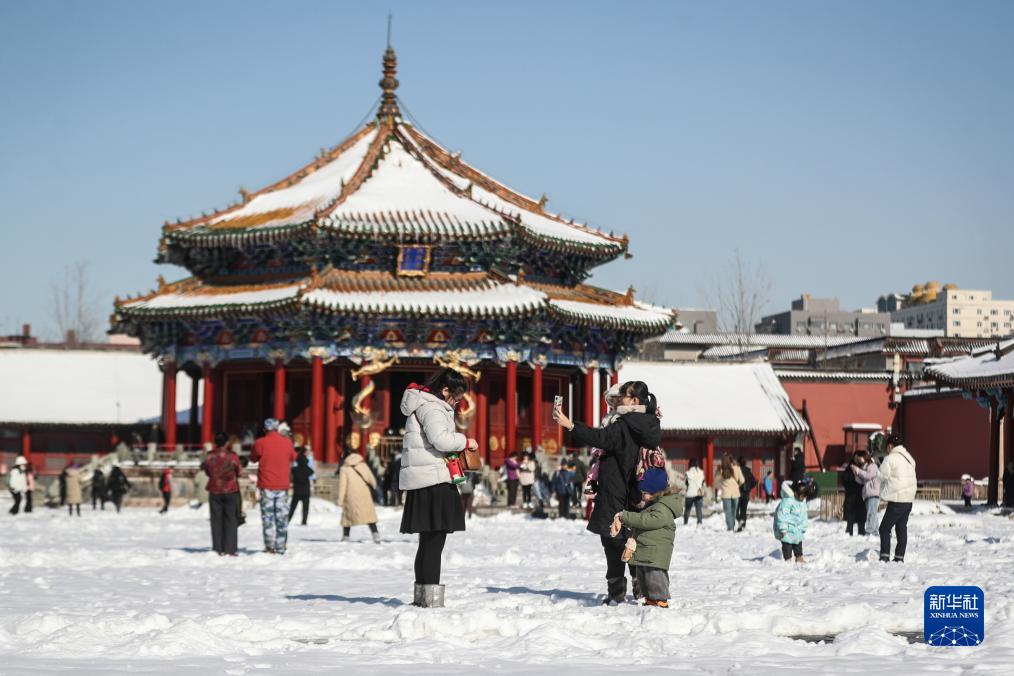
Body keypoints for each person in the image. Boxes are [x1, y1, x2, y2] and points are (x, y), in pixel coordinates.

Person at [553, 380, 662, 606]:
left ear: (634, 401)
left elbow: (600, 438)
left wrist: (570, 425)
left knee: (613, 543)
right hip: (637, 494)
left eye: (623, 396)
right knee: (633, 539)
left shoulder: (624, 424)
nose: (619, 400)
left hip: (615, 492)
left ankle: (616, 593)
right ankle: (641, 587)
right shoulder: (648, 423)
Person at [399, 370, 477, 608]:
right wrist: (466, 441)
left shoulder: (423, 404)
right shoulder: (432, 407)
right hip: (434, 479)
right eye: (457, 397)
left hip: (426, 479)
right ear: (445, 390)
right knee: (434, 542)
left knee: (428, 542)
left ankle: (422, 596)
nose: (457, 403)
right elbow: (441, 440)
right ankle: (430, 600)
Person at [611, 467, 683, 607]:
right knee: (643, 577)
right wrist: (627, 523)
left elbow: (646, 521)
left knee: (655, 577)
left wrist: (626, 516)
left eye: (645, 492)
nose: (642, 494)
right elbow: (642, 522)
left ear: (655, 491)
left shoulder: (662, 508)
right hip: (647, 550)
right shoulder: (654, 505)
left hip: (655, 553)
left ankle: (660, 600)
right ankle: (650, 599)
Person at [250, 417, 297, 554]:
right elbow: (294, 457)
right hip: (282, 485)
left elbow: (253, 458)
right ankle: (281, 546)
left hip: (266, 485)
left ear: (265, 429)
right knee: (282, 517)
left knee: (268, 517)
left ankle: (269, 546)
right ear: (277, 428)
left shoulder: (260, 442)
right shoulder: (287, 442)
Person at [878, 434, 917, 563]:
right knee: (901, 527)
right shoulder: (909, 458)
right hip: (908, 499)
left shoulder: (890, 459)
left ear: (890, 446)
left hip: (897, 499)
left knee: (884, 528)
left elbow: (881, 476)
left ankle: (884, 556)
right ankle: (899, 557)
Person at [202, 432, 242, 555]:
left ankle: (218, 548)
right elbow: (239, 471)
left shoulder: (209, 456)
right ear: (227, 443)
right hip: (231, 490)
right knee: (231, 519)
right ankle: (230, 549)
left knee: (216, 519)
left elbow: (207, 471)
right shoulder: (233, 456)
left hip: (215, 489)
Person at [337, 452, 381, 543]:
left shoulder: (344, 469)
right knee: (369, 516)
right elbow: (372, 481)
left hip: (350, 496)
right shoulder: (363, 465)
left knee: (347, 517)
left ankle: (345, 537)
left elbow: (342, 486)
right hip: (365, 494)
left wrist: (340, 500)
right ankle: (376, 535)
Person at [774, 478, 810, 563]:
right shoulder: (787, 501)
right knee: (787, 544)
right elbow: (782, 515)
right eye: (802, 495)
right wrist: (783, 528)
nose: (803, 498)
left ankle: (799, 557)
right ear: (796, 493)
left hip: (797, 528)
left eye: (804, 496)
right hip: (788, 529)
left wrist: (804, 526)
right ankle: (788, 559)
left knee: (798, 543)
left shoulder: (802, 502)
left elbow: (804, 515)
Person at [852, 452, 881, 535]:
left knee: (871, 513)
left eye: (860, 458)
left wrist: (859, 471)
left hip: (873, 492)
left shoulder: (872, 466)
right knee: (872, 513)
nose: (859, 460)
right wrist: (856, 474)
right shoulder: (864, 467)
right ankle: (875, 531)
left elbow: (868, 476)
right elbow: (862, 481)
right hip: (867, 493)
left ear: (865, 457)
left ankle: (869, 531)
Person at [714, 455, 745, 532]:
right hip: (735, 493)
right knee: (734, 511)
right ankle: (732, 526)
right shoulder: (737, 468)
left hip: (726, 494)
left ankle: (730, 528)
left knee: (728, 512)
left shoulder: (721, 470)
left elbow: (716, 481)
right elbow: (742, 480)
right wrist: (737, 485)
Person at [841, 452, 866, 536]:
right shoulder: (849, 468)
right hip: (851, 495)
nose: (857, 459)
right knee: (850, 517)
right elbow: (844, 481)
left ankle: (861, 533)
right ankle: (849, 533)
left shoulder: (863, 468)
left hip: (860, 496)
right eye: (856, 457)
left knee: (861, 517)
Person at [288, 451, 313, 525]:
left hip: (297, 491)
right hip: (306, 491)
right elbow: (312, 472)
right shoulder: (308, 470)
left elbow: (290, 474)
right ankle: (304, 521)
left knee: (292, 507)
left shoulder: (294, 469)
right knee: (305, 508)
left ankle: (288, 519)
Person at [683, 458, 705, 527]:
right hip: (698, 493)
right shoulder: (701, 472)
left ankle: (685, 523)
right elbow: (702, 483)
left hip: (690, 493)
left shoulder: (687, 473)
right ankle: (699, 523)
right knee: (699, 510)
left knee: (687, 510)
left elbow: (686, 483)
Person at [736, 457, 756, 531]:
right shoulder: (748, 471)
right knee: (743, 511)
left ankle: (739, 521)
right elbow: (754, 482)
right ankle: (743, 526)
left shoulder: (737, 471)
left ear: (738, 463)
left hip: (738, 492)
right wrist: (749, 487)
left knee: (736, 510)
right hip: (746, 493)